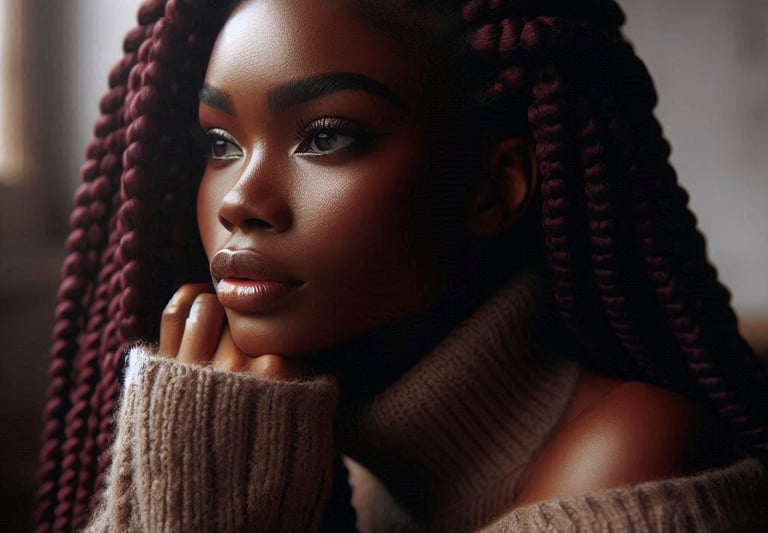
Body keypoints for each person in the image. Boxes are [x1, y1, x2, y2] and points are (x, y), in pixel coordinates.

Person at [34, 0, 768, 531]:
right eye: (221, 144)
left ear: (492, 188)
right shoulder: (338, 449)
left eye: (325, 136)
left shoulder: (633, 459)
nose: (242, 201)